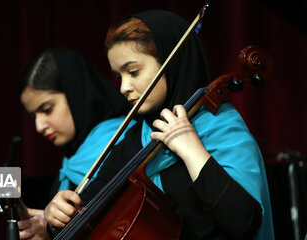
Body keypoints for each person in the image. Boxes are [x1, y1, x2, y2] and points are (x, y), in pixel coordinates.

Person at [44, 10, 274, 239]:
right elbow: (87, 212)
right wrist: (59, 217)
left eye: (133, 71)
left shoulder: (220, 128)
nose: (124, 87)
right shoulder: (138, 138)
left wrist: (193, 151)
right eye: (119, 77)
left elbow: (243, 221)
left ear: (170, 63)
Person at [17, 48, 135, 239]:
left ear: (75, 93)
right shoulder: (70, 161)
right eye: (33, 116)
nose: (39, 126)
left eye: (47, 109)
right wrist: (48, 231)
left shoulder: (128, 141)